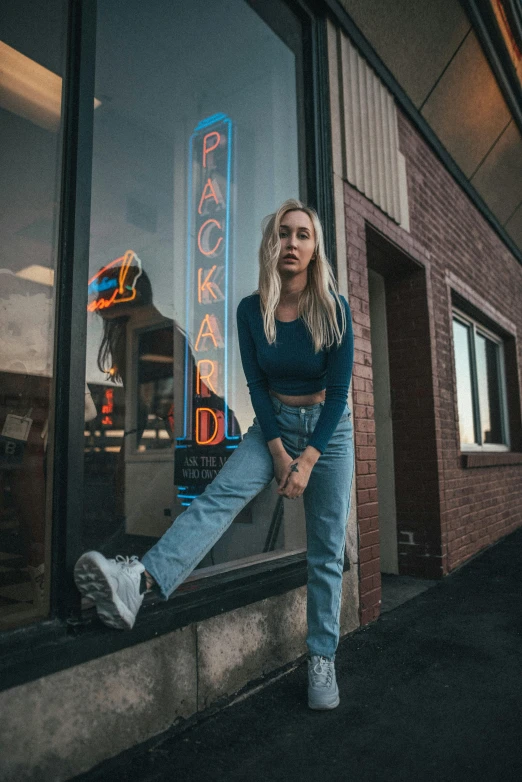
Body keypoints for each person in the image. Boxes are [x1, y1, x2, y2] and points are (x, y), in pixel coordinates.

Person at [74, 198, 354, 711]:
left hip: (328, 433)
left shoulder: (334, 309)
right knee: (218, 497)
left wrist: (308, 459)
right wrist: (275, 451)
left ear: (315, 251)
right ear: (272, 246)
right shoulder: (252, 309)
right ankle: (140, 581)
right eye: (283, 234)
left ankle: (321, 658)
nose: (292, 242)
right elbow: (254, 382)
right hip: (272, 422)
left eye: (302, 235)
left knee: (326, 550)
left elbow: (338, 397)